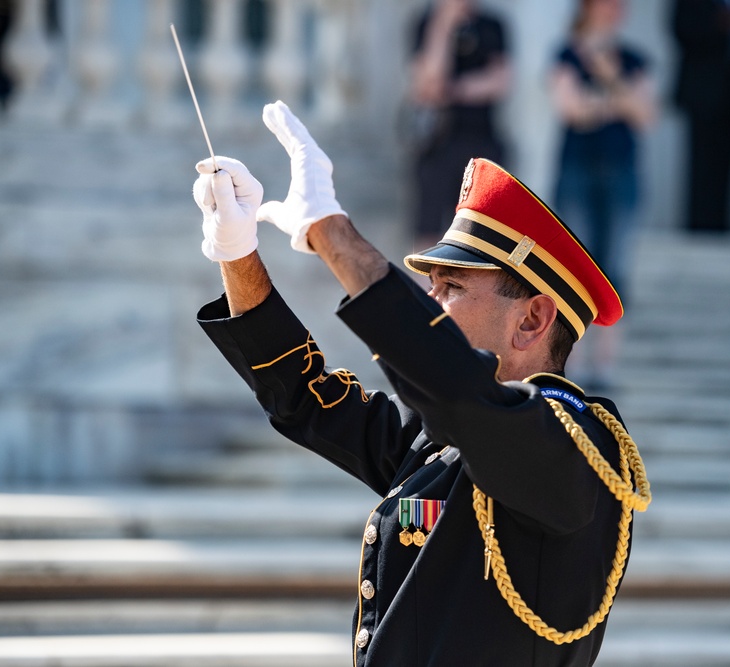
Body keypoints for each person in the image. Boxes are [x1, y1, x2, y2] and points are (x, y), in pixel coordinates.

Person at [193, 101, 650, 666]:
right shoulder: (447, 435)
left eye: (450, 286)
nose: (430, 302)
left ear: (532, 319)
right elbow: (306, 398)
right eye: (429, 285)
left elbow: (455, 389)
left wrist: (331, 233)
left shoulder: (578, 443)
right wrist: (239, 256)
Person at [549, 0, 657, 389]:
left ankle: (606, 364)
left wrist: (609, 80)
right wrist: (620, 101)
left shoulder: (632, 59)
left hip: (622, 174)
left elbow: (647, 115)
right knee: (574, 267)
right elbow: (571, 110)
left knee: (617, 267)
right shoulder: (566, 54)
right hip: (577, 171)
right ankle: (571, 364)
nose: (616, 8)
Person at [405, 0, 511, 250]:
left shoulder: (491, 25)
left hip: (482, 141)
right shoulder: (426, 23)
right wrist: (443, 24)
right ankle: (424, 289)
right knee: (428, 231)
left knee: (480, 233)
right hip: (437, 143)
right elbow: (428, 80)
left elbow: (499, 83)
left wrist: (452, 90)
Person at [671, 0, 730, 232]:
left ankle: (723, 224)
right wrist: (718, 23)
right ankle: (700, 225)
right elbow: (680, 29)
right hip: (703, 93)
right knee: (702, 166)